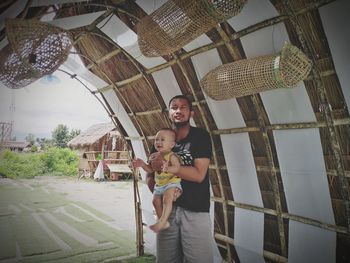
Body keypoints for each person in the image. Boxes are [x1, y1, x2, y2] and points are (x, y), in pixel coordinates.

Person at [147, 95, 213, 263]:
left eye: (183, 107)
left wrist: (166, 166)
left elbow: (199, 175)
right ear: (169, 113)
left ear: (191, 113)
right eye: (174, 107)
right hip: (167, 212)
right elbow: (150, 175)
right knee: (165, 260)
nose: (178, 110)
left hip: (195, 210)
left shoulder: (200, 137)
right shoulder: (160, 139)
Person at [132, 128, 182, 233]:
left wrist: (167, 168)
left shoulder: (172, 156)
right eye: (156, 139)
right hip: (159, 185)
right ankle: (162, 222)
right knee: (155, 202)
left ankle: (162, 220)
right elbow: (150, 170)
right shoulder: (153, 156)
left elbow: (177, 168)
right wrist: (142, 164)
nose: (158, 142)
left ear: (171, 145)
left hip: (171, 183)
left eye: (162, 140)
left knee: (166, 200)